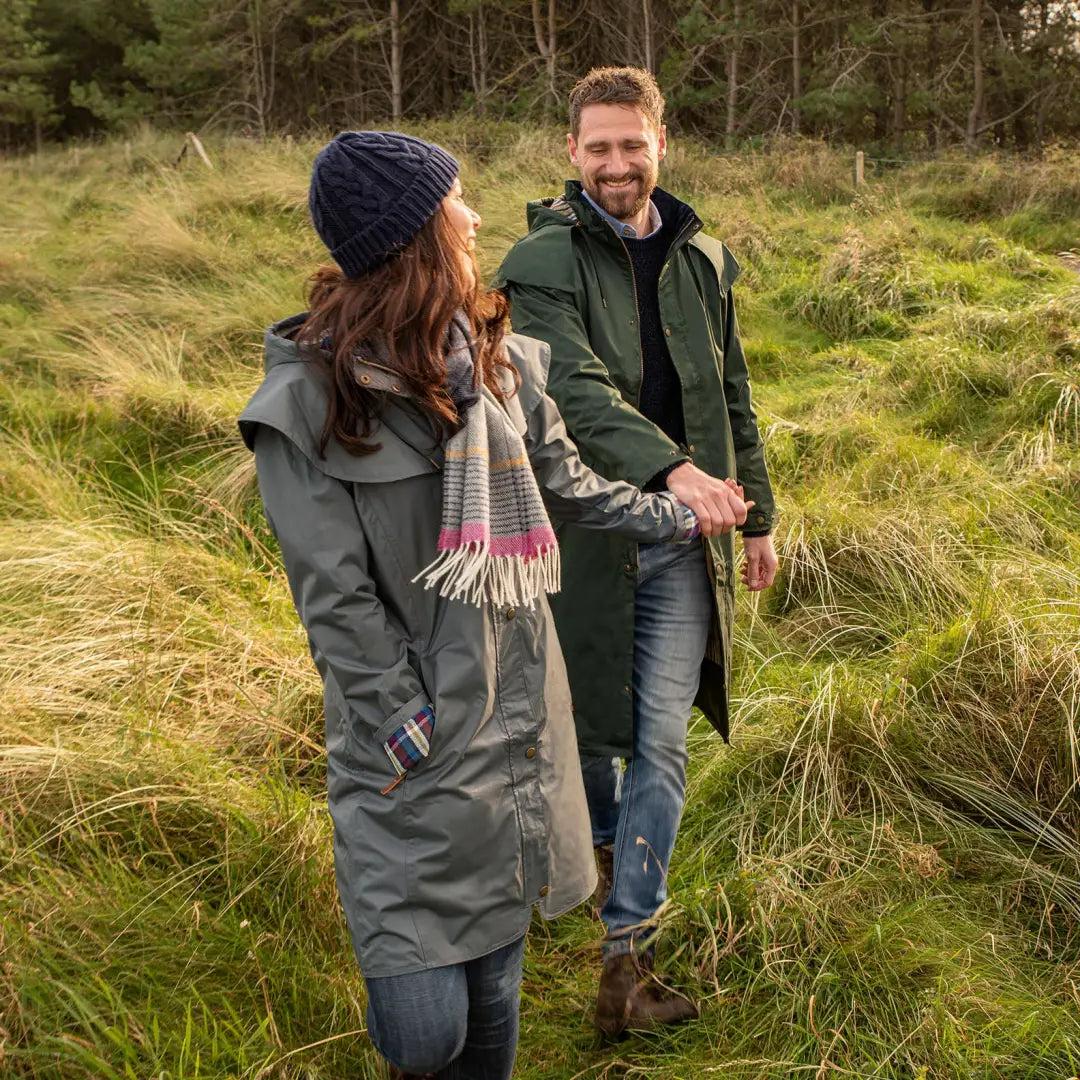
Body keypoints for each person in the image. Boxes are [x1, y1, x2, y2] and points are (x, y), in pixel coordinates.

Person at [237, 131, 742, 1079]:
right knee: (427, 1034)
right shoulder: (306, 404)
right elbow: (335, 599)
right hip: (413, 755)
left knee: (497, 998)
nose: (473, 217)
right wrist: (404, 724)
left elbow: (573, 482)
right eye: (454, 203)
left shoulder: (502, 366)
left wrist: (676, 513)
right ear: (412, 236)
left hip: (517, 721)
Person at [495, 67, 779, 1037]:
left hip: (686, 548)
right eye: (599, 147)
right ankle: (595, 863)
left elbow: (732, 394)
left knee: (659, 741)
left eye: (633, 143)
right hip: (583, 540)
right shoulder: (537, 263)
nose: (618, 164)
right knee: (583, 743)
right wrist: (671, 474)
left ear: (663, 142)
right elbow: (567, 390)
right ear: (572, 155)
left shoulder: (705, 260)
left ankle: (628, 955)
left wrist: (760, 515)